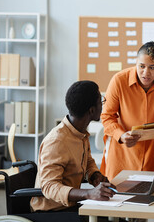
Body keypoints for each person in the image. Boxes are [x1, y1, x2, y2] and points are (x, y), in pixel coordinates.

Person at [100, 41, 154, 181]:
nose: (146, 73)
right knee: (118, 197)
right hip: (122, 155)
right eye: (141, 66)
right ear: (136, 63)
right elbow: (107, 116)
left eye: (152, 67)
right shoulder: (119, 80)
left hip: (153, 157)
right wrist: (121, 135)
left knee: (152, 198)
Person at [31, 81, 116, 212]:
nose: (102, 105)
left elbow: (88, 162)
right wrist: (88, 193)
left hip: (72, 205)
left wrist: (95, 175)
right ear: (92, 110)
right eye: (101, 101)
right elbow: (48, 186)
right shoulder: (57, 141)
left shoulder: (80, 132)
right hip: (51, 212)